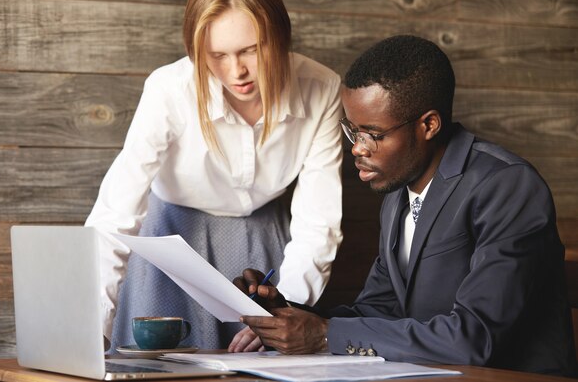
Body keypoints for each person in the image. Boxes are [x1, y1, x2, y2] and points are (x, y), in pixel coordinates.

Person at [232, 35, 577, 377]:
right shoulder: (398, 194)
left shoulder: (506, 186)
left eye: (373, 134)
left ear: (428, 125)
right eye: (353, 131)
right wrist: (287, 317)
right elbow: (379, 310)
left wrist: (323, 334)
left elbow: (475, 339)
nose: (358, 148)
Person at [84, 0, 343, 351]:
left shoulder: (322, 89)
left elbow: (318, 224)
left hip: (265, 249)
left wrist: (285, 307)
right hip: (172, 244)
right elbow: (114, 216)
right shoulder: (169, 89)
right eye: (216, 55)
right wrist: (87, 328)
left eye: (250, 50)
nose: (236, 70)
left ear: (279, 34)